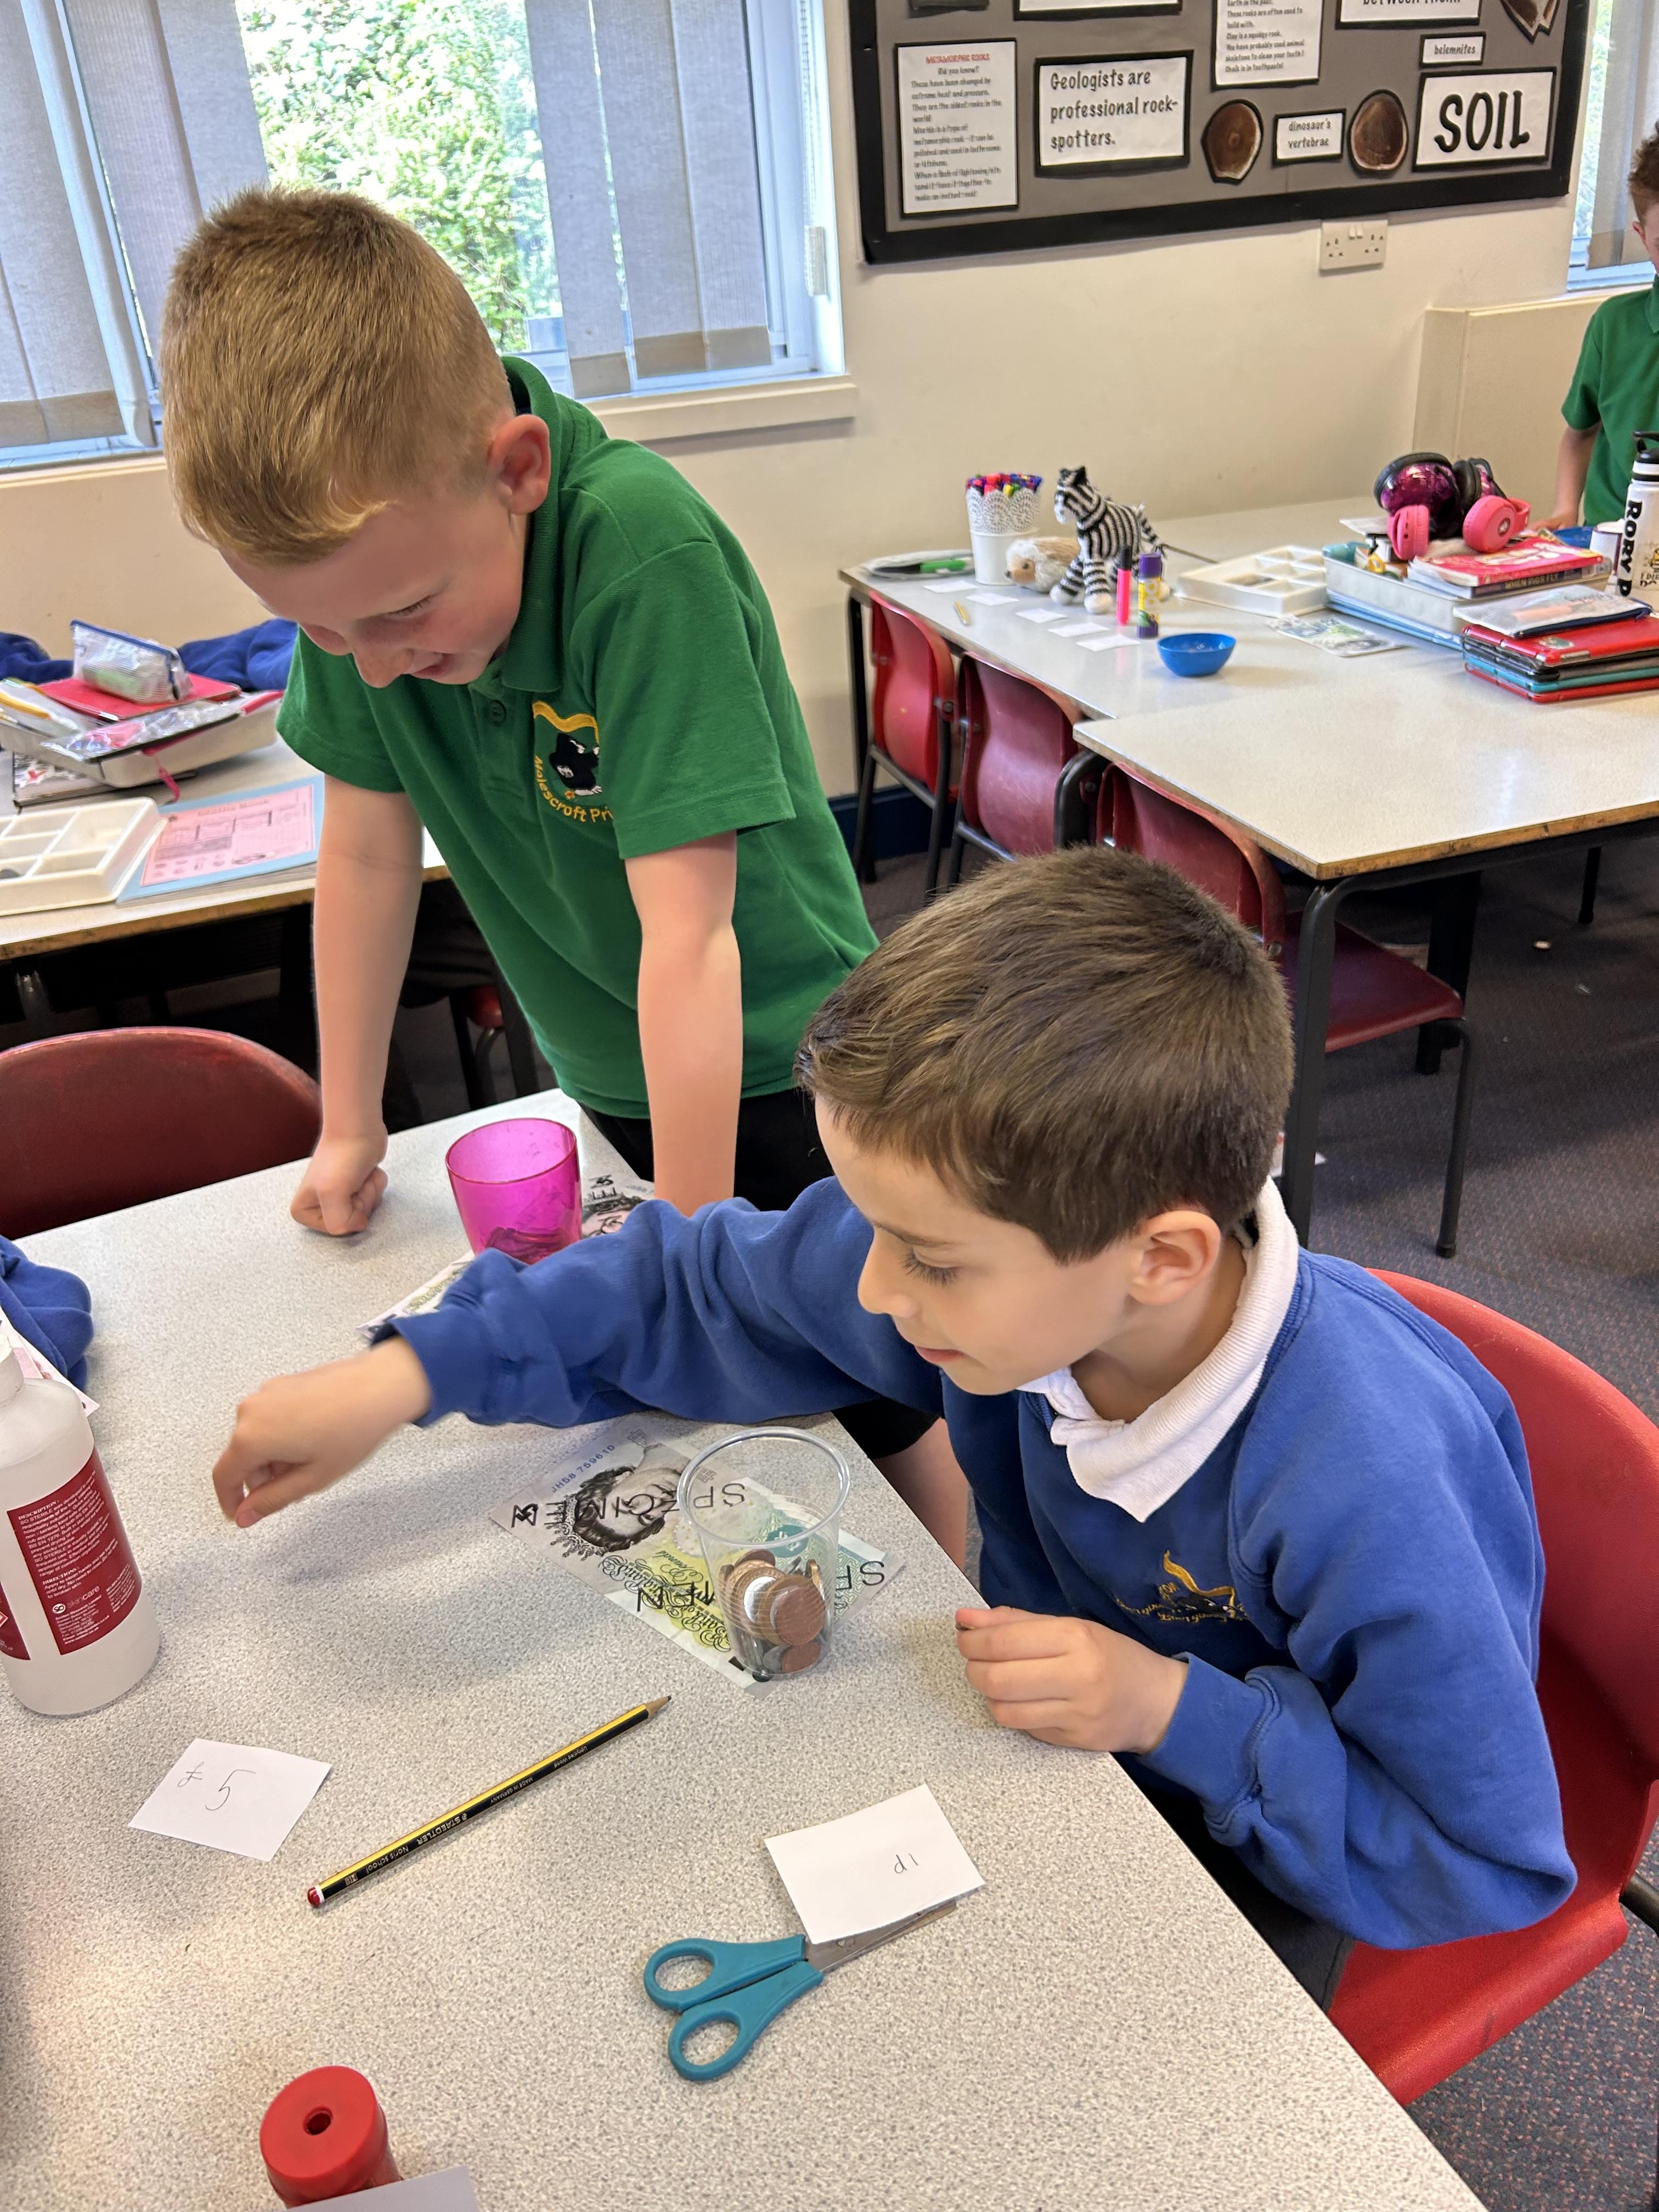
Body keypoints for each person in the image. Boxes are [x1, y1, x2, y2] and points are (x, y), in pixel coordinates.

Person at [210, 848, 1575, 2005]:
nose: (872, 1291)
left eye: (927, 1257)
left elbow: (1477, 1858)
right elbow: (694, 1281)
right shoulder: (1022, 1284)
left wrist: (1173, 1709)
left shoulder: (1373, 1479)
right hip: (1051, 1750)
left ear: (1159, 1260)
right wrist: (411, 1377)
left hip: (1261, 1845)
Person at [161, 187, 963, 1553]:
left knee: (870, 1393)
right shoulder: (364, 596)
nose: (370, 665)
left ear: (518, 469)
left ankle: (955, 1584)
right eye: (322, 633)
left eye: (401, 615)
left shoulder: (636, 555)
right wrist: (348, 1122)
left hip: (782, 1052)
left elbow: (693, 940)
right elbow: (363, 855)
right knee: (713, 1431)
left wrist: (686, 1264)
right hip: (613, 1059)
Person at [1549, 123, 1659, 529]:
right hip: (1611, 537)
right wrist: (1565, 510)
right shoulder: (1613, 326)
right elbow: (1580, 433)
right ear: (1642, 237)